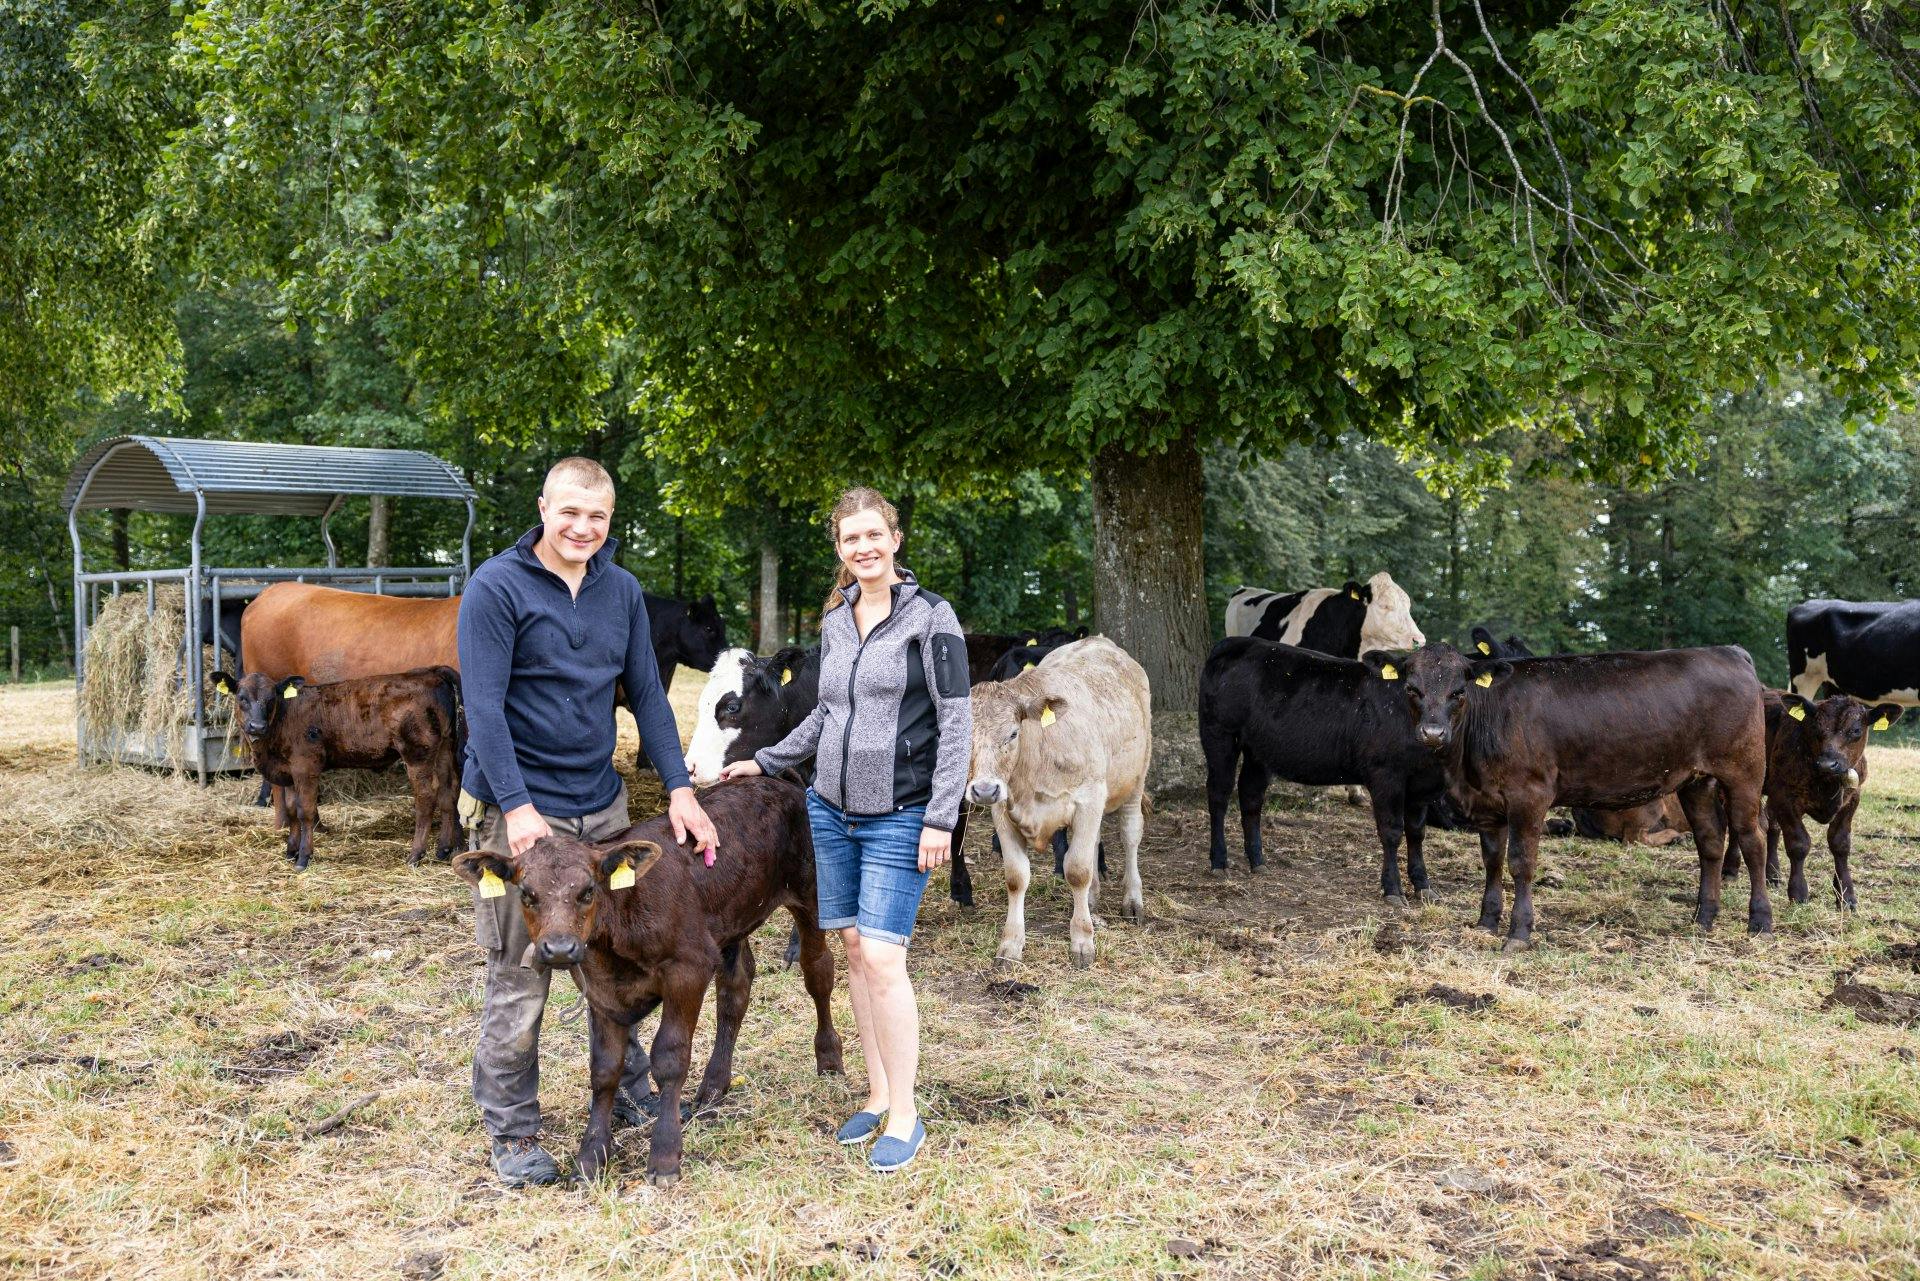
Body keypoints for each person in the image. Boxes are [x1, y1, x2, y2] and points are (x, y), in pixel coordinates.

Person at [459, 456, 720, 1188]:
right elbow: (483, 707)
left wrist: (677, 786)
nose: (583, 528)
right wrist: (514, 808)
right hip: (522, 813)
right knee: (522, 973)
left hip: (600, 809)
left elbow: (647, 691)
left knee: (613, 959)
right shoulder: (496, 588)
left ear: (610, 521)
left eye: (598, 517)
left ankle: (631, 1082)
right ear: (543, 506)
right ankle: (512, 1130)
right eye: (570, 512)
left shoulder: (622, 590)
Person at [721, 486, 970, 1172]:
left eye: (873, 534)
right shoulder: (837, 617)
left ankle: (908, 1114)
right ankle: (878, 1089)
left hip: (900, 812)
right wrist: (763, 759)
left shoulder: (932, 618)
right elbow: (827, 715)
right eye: (849, 539)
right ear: (840, 548)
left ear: (894, 537)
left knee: (886, 958)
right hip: (829, 809)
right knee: (856, 949)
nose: (862, 547)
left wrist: (941, 816)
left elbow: (957, 725)